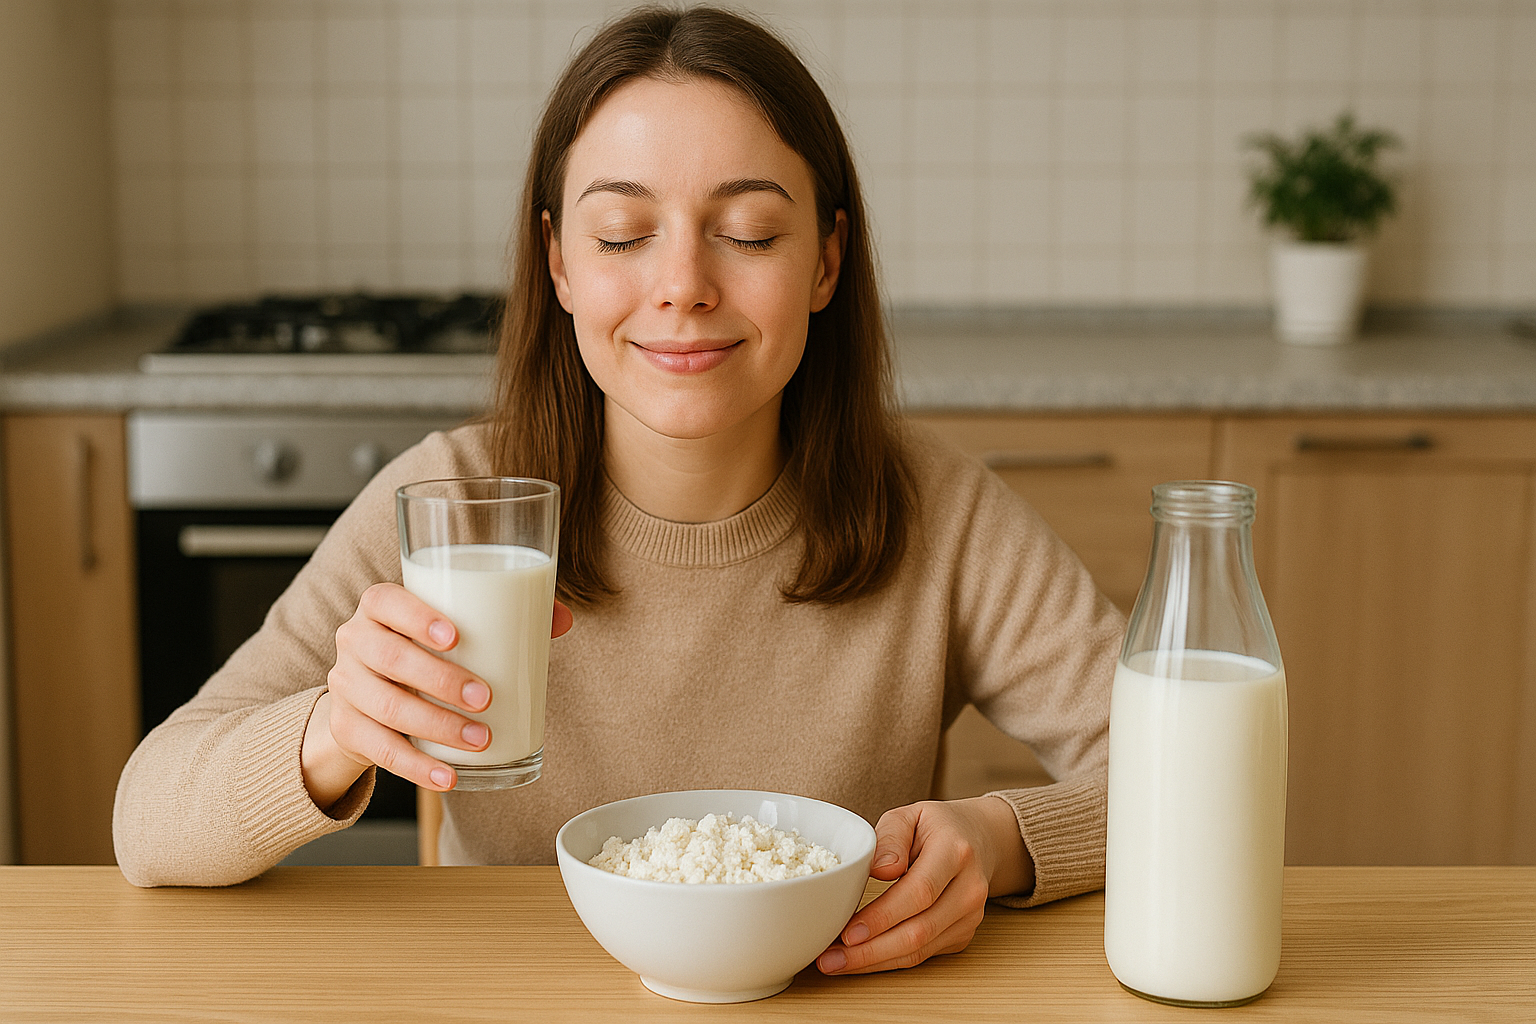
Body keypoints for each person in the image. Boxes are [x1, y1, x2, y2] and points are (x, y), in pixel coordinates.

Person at [113, 6, 1122, 977]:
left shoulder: (938, 512)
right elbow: (146, 818)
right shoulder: (453, 501)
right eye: (622, 234)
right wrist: (335, 729)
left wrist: (1001, 841)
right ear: (558, 262)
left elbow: (1187, 777)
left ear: (826, 260)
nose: (682, 284)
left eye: (750, 232)